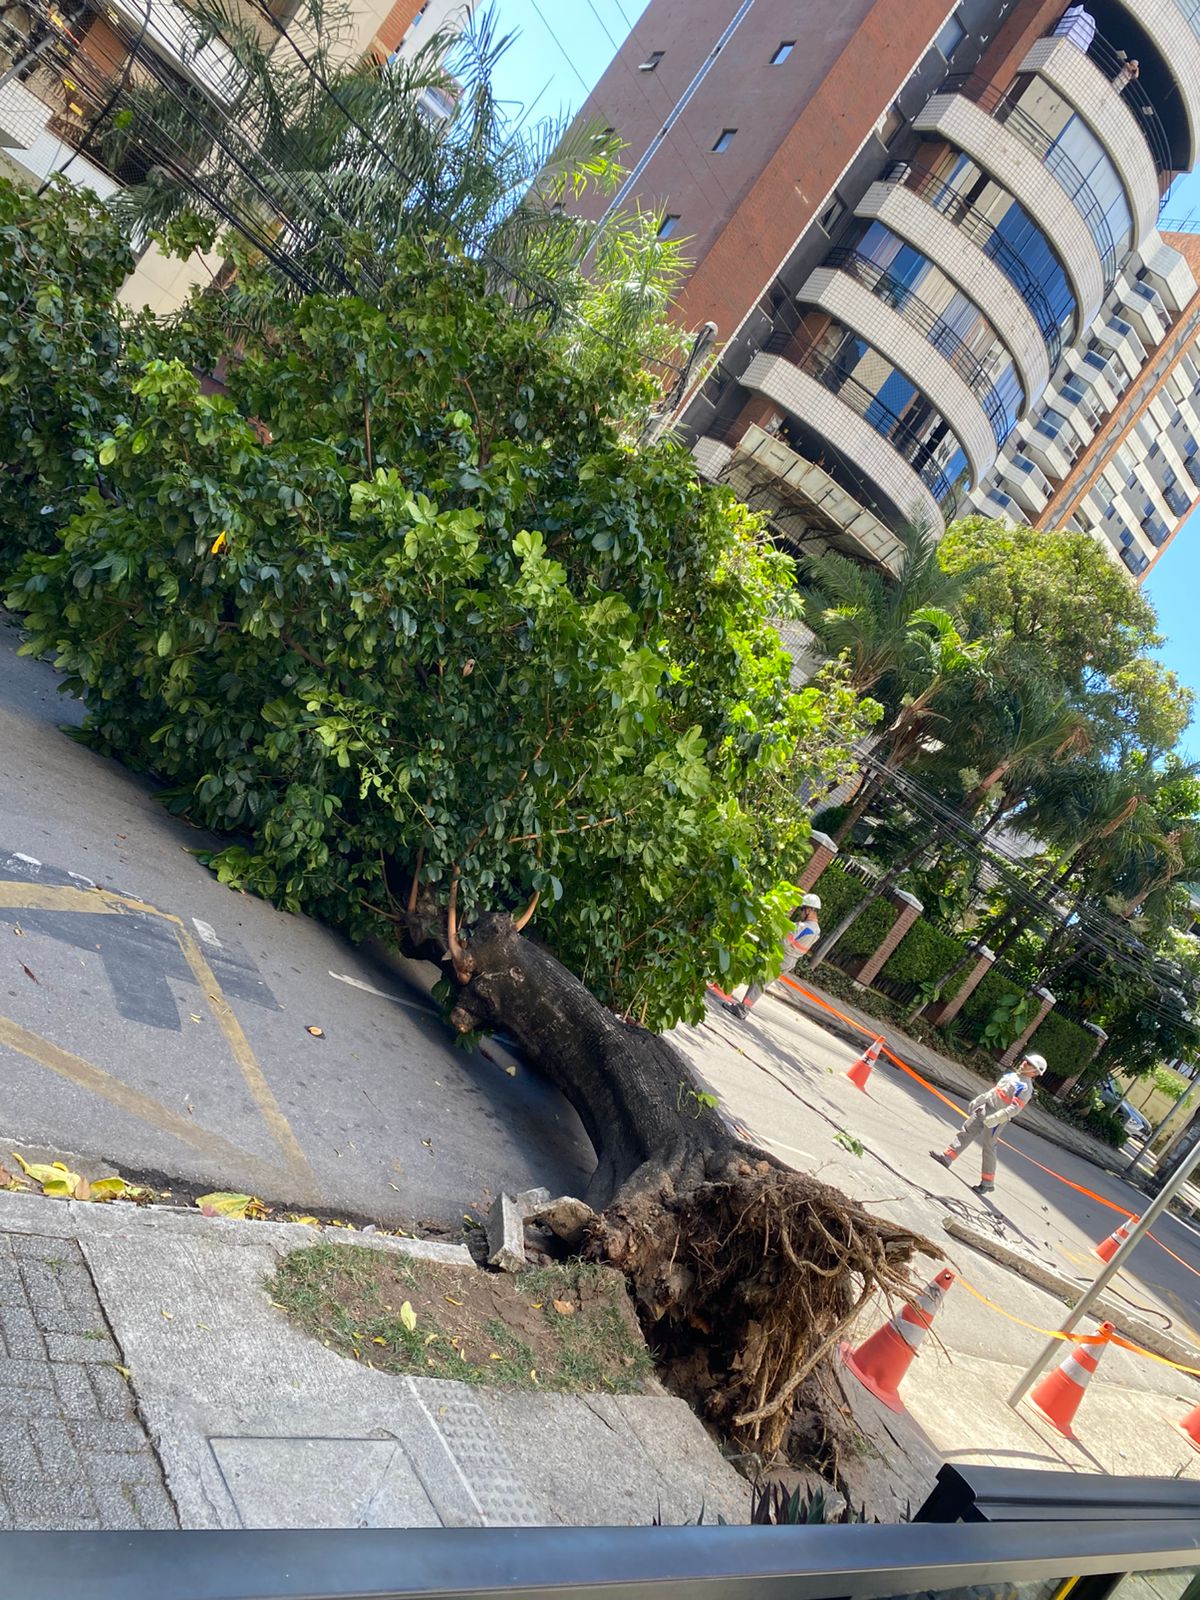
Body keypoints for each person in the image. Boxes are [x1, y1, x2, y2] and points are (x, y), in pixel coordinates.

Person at [929, 1052, 1047, 1195]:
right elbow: (995, 1091)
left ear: (1035, 1072)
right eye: (1025, 1061)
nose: (1024, 1063)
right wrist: (980, 1100)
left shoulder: (1025, 1088)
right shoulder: (1011, 1076)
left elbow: (1015, 1108)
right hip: (986, 1108)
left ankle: (987, 1183)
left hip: (997, 1118)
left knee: (989, 1148)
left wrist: (998, 1117)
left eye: (1028, 1064)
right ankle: (947, 1157)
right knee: (966, 1132)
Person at [723, 894, 821, 1021]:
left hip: (782, 957)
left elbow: (784, 942)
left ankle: (743, 1009)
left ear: (809, 909)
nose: (801, 913)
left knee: (761, 981)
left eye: (802, 909)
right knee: (760, 980)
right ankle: (742, 1004)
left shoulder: (803, 927)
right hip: (791, 961)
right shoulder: (817, 930)